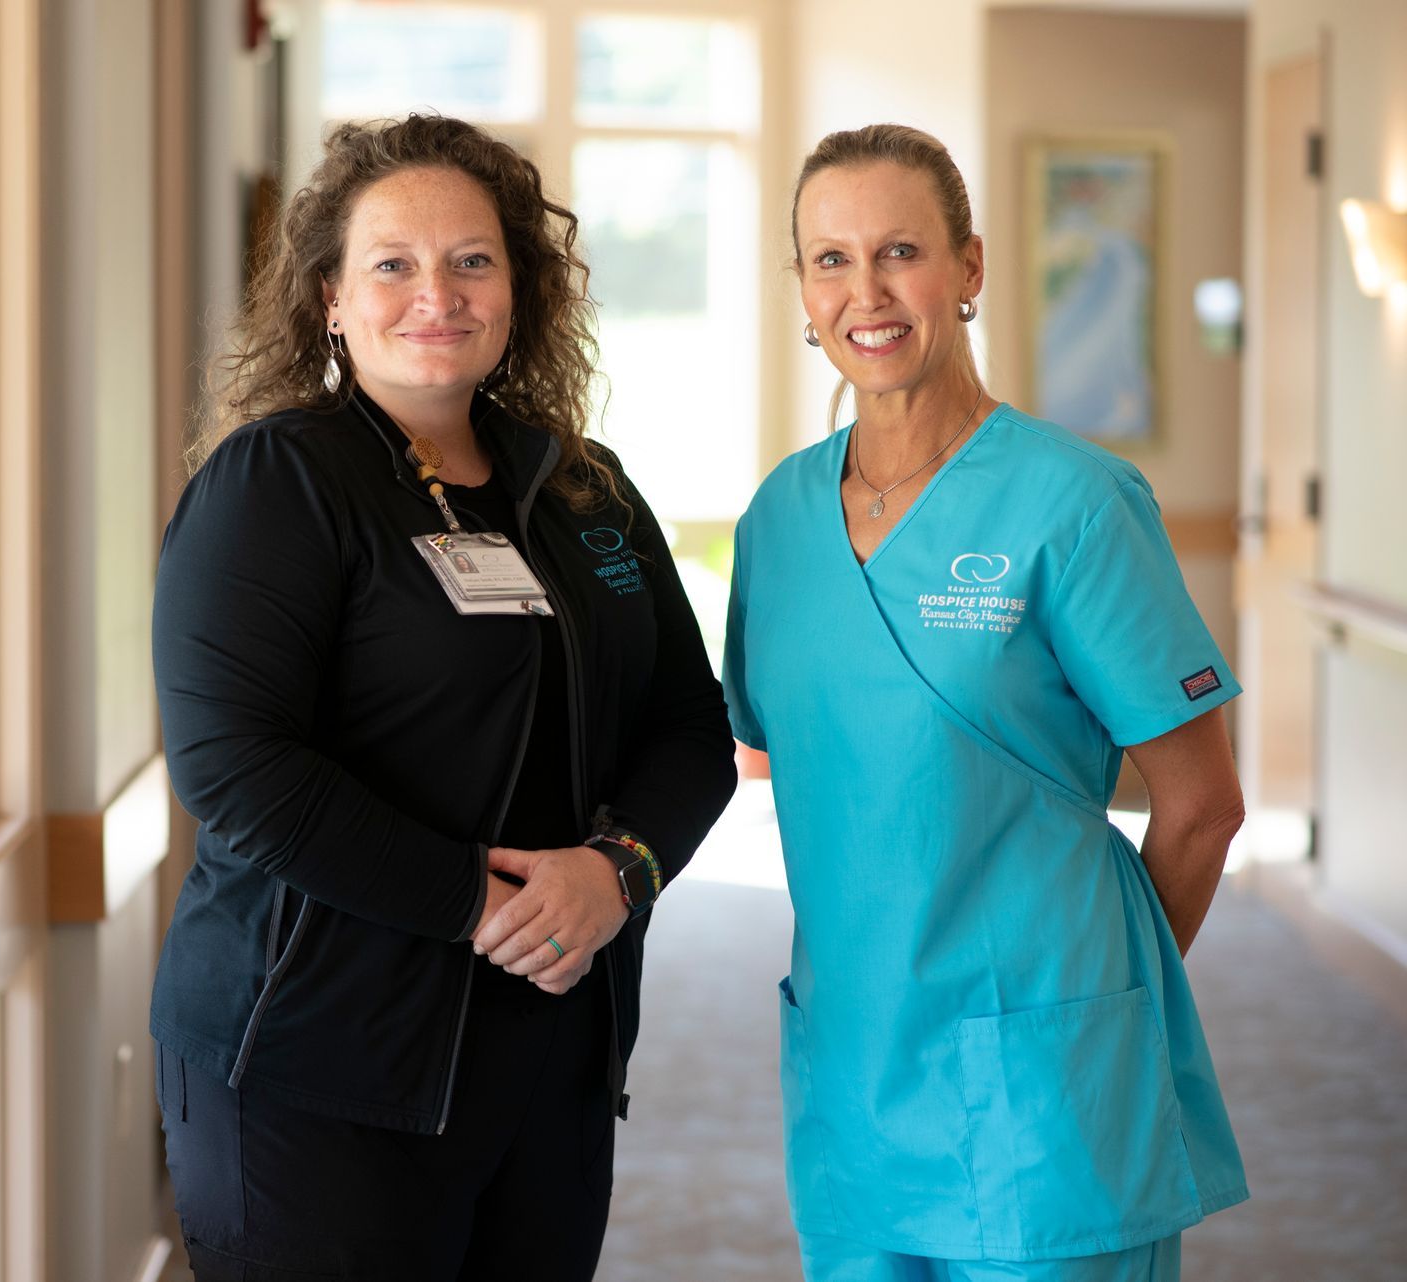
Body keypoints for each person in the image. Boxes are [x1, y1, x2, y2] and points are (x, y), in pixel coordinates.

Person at [151, 113, 736, 1281]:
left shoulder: (585, 490)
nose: (438, 294)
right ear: (330, 298)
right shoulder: (280, 479)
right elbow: (236, 768)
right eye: (393, 264)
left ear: (519, 289)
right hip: (323, 1062)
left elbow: (690, 728)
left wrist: (616, 871)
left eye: (473, 259)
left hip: (553, 1049)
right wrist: (477, 901)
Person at [725, 123, 1248, 1282]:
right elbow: (782, 758)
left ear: (968, 267)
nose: (866, 292)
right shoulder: (778, 523)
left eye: (901, 251)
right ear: (802, 288)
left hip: (1049, 1092)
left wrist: (1096, 1008)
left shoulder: (1076, 502)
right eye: (831, 259)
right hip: (855, 1071)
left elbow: (1203, 805)